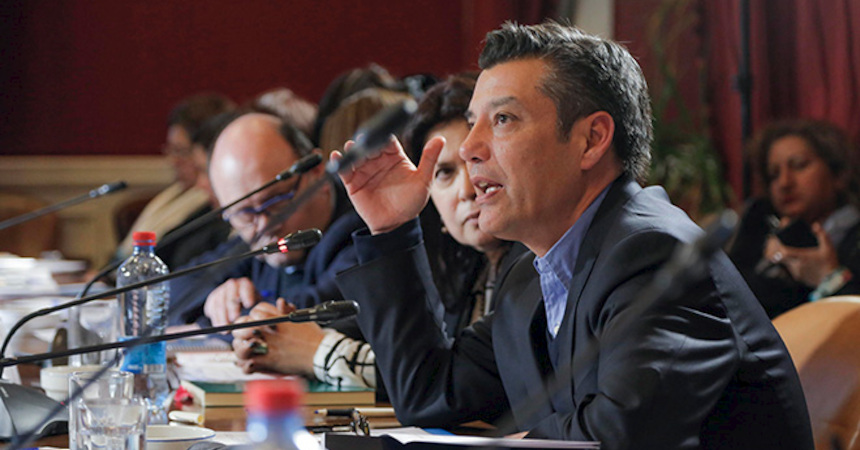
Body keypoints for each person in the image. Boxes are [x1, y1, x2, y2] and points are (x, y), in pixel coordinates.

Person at [331, 22, 813, 448]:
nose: (471, 148)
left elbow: (619, 436)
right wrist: (392, 230)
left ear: (591, 139)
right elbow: (430, 392)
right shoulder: (534, 270)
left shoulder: (655, 254)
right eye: (474, 123)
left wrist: (509, 443)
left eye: (503, 120)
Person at [230, 76, 527, 388]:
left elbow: (450, 385)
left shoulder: (536, 264)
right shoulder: (460, 268)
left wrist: (317, 352)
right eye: (444, 172)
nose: (467, 189)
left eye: (476, 162)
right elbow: (424, 373)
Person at [166, 112, 365, 334]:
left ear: (316, 171)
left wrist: (230, 314)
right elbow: (173, 290)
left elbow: (313, 311)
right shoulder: (260, 233)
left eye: (277, 201)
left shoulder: (363, 227)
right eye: (244, 213)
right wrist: (216, 301)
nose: (264, 225)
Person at [729, 119, 860, 318]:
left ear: (838, 174)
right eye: (774, 175)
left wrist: (829, 277)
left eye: (799, 166)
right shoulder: (761, 226)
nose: (784, 183)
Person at [115, 93, 235, 269]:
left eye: (180, 151)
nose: (173, 161)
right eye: (171, 150)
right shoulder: (172, 196)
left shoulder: (218, 214)